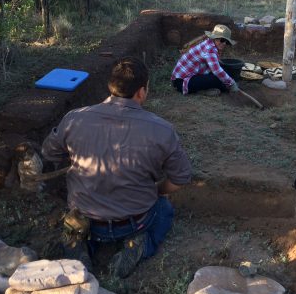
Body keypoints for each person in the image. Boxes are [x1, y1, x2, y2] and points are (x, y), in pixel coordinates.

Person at [42, 57, 191, 278]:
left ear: (110, 87)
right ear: (141, 92)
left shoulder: (74, 118)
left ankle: (77, 245)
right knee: (164, 209)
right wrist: (157, 190)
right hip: (133, 223)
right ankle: (140, 246)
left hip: (85, 217)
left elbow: (48, 153)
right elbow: (180, 179)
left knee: (78, 224)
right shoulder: (162, 130)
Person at [171, 24, 239, 96]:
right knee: (217, 79)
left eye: (227, 42)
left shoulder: (210, 43)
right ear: (215, 38)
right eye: (222, 40)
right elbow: (217, 70)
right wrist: (232, 83)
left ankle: (210, 88)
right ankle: (201, 90)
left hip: (193, 75)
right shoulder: (210, 49)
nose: (224, 43)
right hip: (182, 82)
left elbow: (214, 65)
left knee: (224, 74)